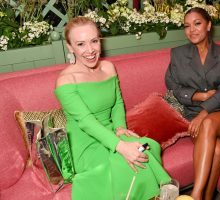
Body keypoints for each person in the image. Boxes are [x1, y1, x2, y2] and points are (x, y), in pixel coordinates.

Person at [55, 16, 170, 200]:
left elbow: (117, 102)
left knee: (146, 148)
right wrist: (121, 146)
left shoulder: (108, 67)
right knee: (124, 163)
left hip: (112, 132)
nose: (90, 50)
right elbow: (86, 122)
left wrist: (119, 127)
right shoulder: (66, 81)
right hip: (85, 144)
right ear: (70, 47)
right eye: (81, 44)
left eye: (94, 41)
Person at [165, 7, 220, 200]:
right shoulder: (177, 54)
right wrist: (198, 96)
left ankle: (196, 194)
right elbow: (172, 85)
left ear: (208, 25)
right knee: (217, 150)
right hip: (192, 113)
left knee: (207, 122)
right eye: (187, 26)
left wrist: (204, 112)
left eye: (197, 23)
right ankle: (207, 197)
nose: (192, 30)